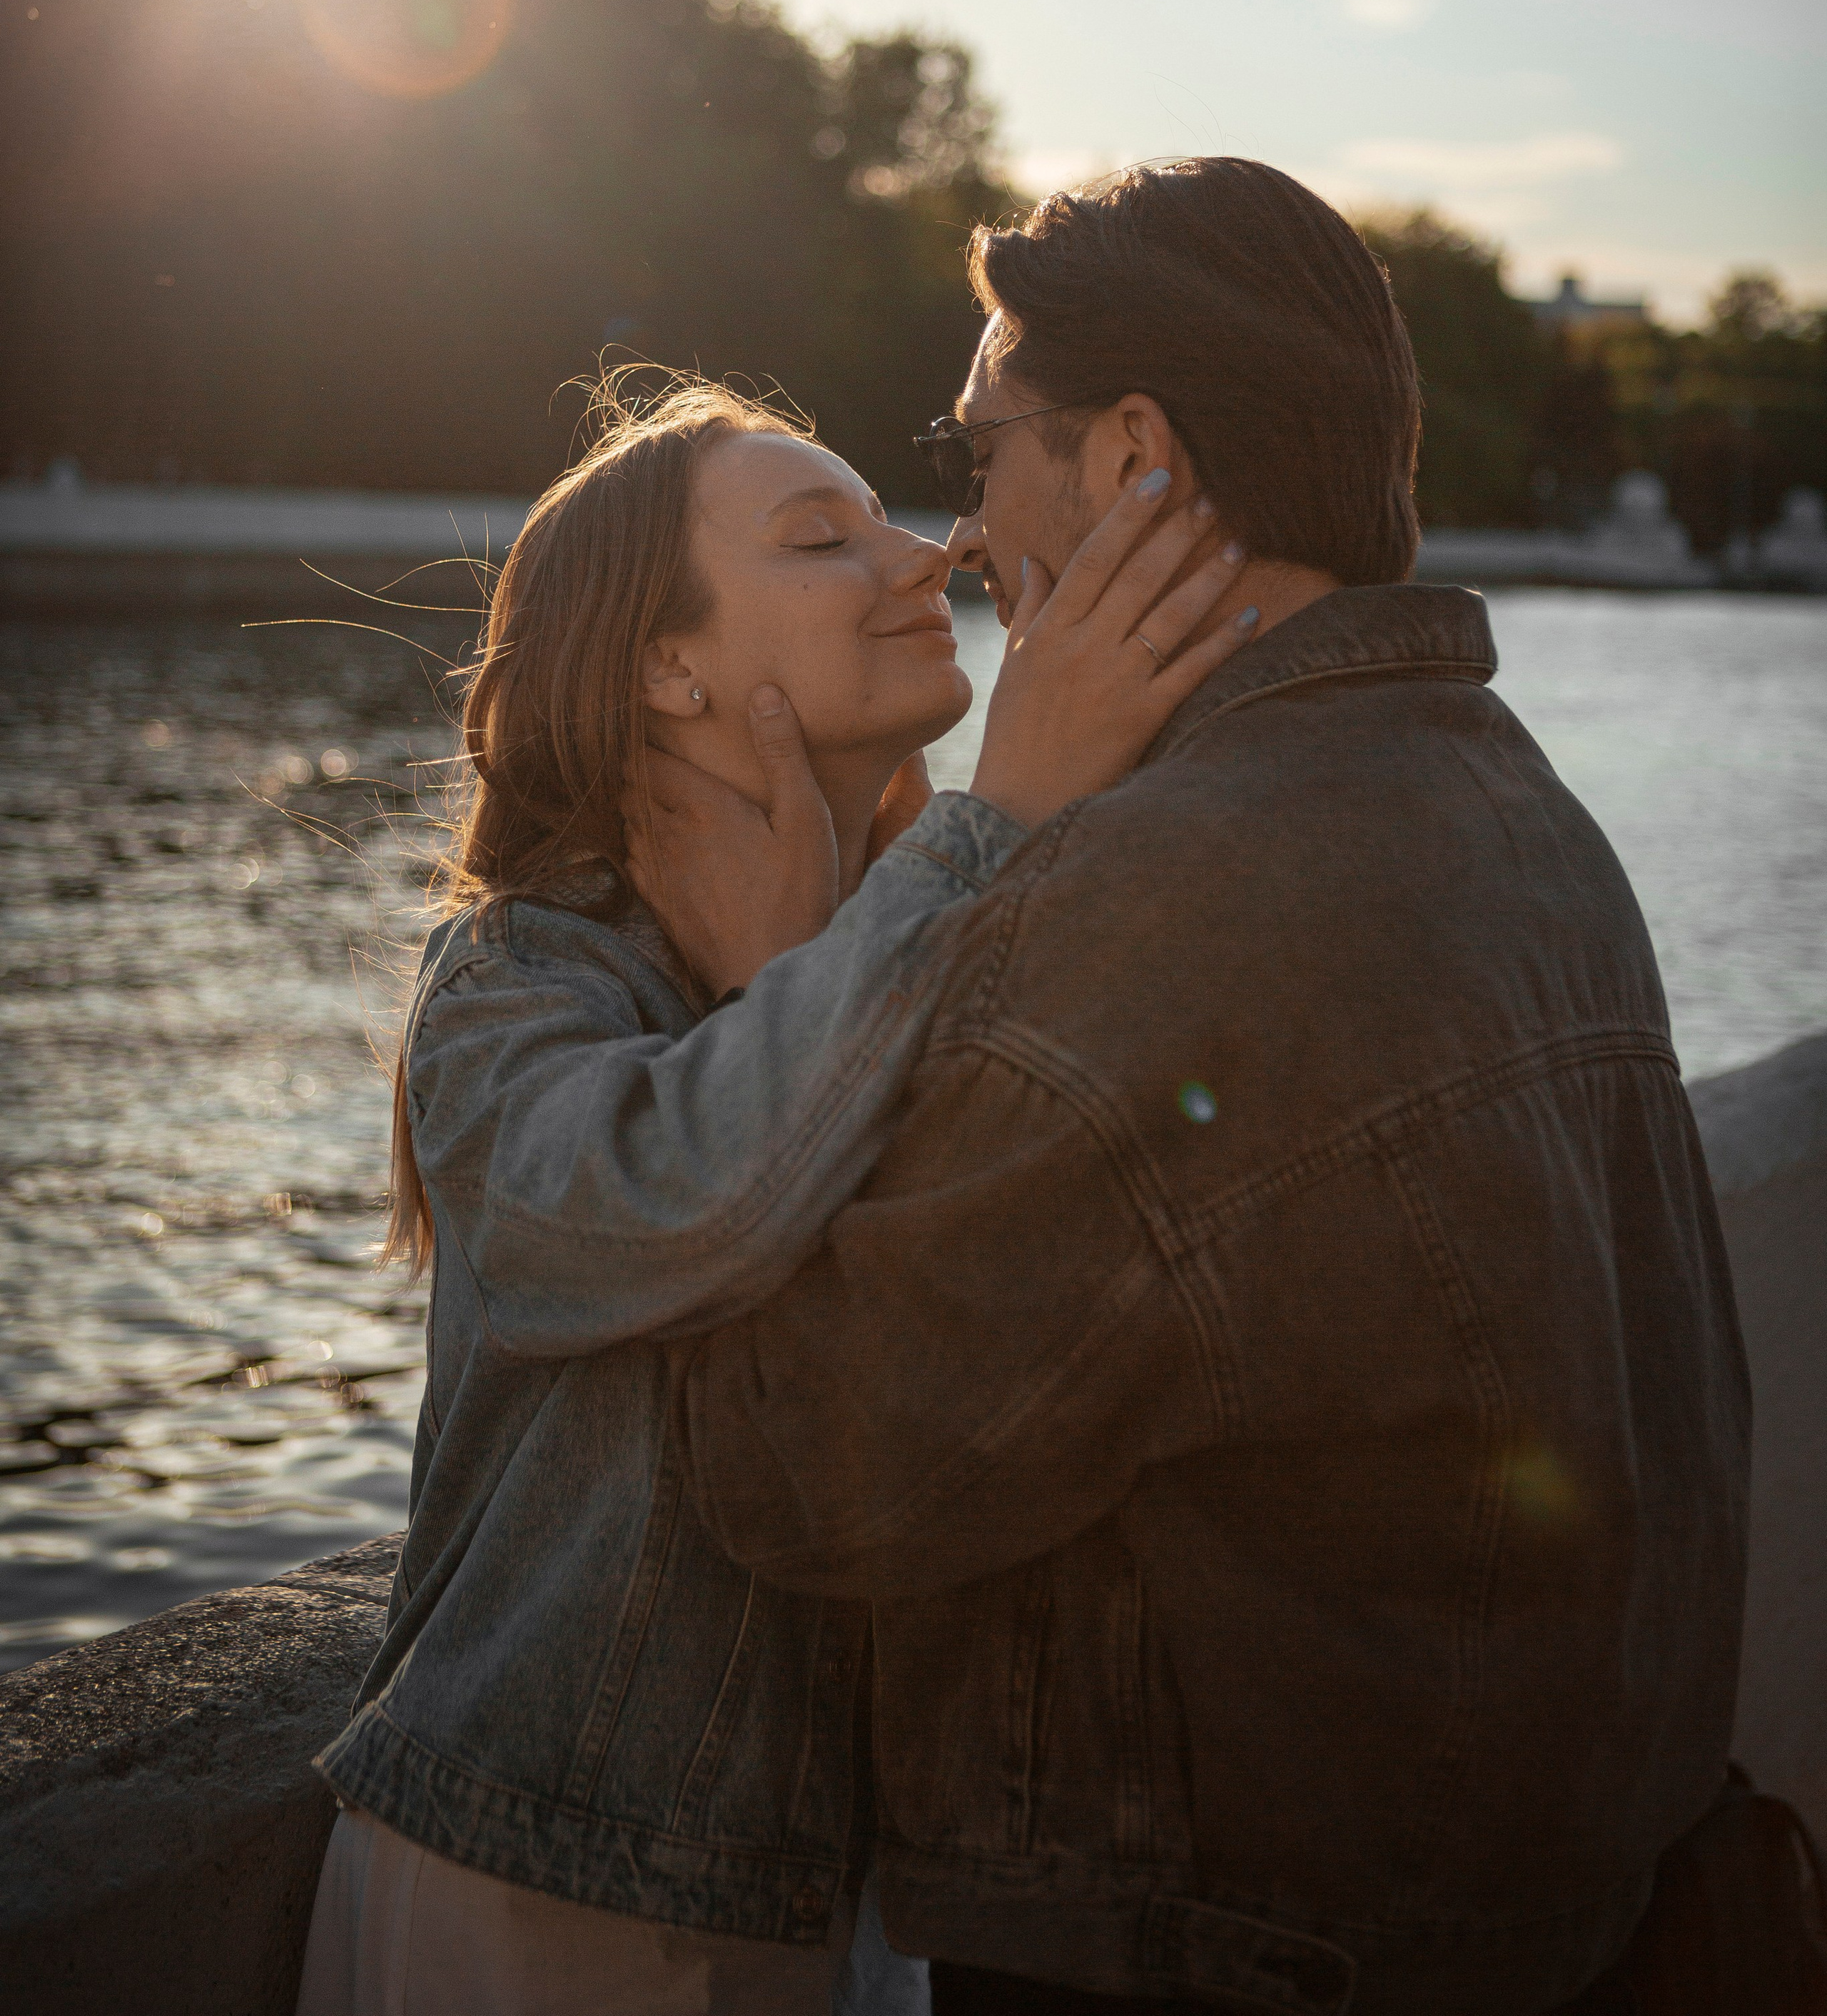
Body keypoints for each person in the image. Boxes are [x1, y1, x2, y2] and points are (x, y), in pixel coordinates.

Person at [643, 162, 1751, 2016]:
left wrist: (793, 994)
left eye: (983, 448)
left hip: (1233, 1953)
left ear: (1137, 456)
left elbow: (800, 1474)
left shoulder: (1171, 895)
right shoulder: (1521, 811)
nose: (969, 532)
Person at [300, 374, 1255, 2016]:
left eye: (892, 513)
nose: (926, 551)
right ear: (667, 667)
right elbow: (670, 1211)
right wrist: (993, 824)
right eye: (823, 539)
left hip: (848, 1902)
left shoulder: (935, 930)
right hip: (544, 1888)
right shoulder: (526, 971)